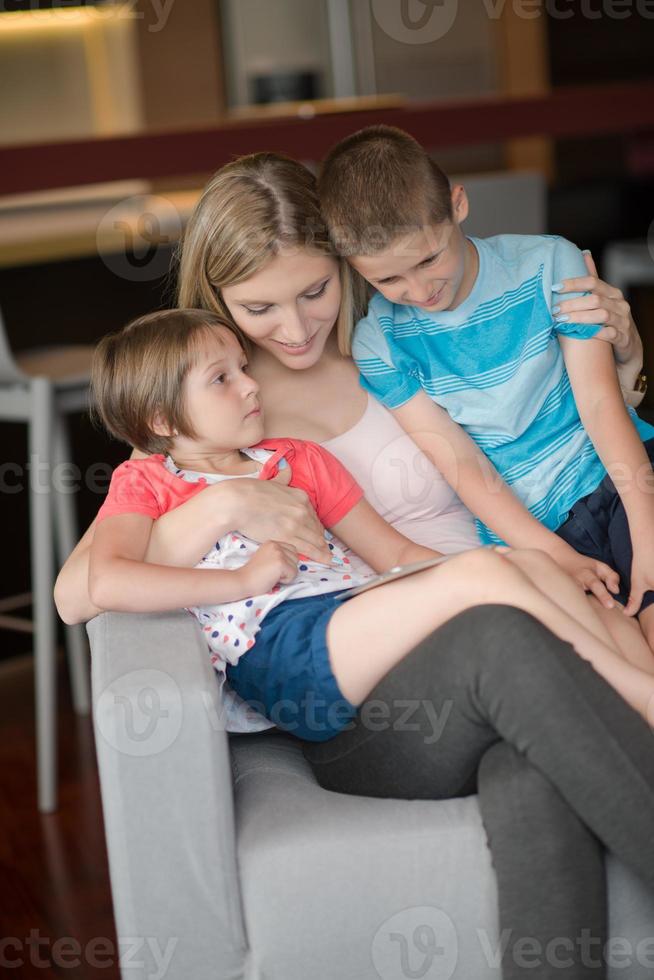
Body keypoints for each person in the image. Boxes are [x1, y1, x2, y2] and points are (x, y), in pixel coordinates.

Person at [55, 152, 654, 979]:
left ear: (349, 261)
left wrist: (621, 361)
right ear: (219, 300)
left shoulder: (405, 337)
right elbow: (87, 584)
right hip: (389, 672)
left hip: (507, 589)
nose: (296, 330)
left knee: (533, 775)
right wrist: (224, 508)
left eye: (316, 291)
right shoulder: (210, 413)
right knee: (502, 635)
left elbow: (552, 429)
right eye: (260, 308)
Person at [318, 125, 654, 652]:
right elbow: (463, 466)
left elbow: (598, 403)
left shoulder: (548, 264)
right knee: (619, 666)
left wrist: (645, 522)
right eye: (389, 280)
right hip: (528, 534)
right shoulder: (380, 342)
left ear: (457, 205)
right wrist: (552, 553)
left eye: (429, 259)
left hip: (621, 486)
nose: (419, 291)